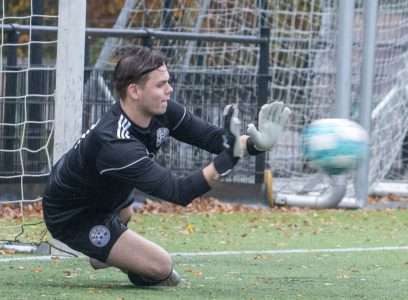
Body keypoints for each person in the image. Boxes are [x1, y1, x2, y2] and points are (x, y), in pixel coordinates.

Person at [42, 46, 291, 287]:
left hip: (108, 197)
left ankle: (103, 252)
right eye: (160, 85)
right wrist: (229, 158)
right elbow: (177, 191)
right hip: (72, 213)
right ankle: (109, 249)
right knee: (161, 267)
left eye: (168, 82)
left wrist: (257, 144)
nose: (169, 90)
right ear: (134, 91)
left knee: (126, 213)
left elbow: (214, 139)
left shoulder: (162, 111)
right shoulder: (115, 144)